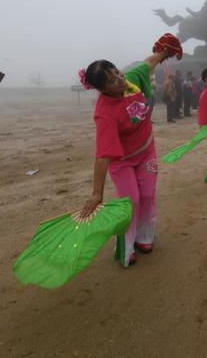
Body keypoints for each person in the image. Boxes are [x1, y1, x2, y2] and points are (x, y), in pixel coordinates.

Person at [78, 47, 172, 267]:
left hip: (146, 151)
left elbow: (148, 62)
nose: (119, 80)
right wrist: (96, 193)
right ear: (102, 89)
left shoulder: (130, 80)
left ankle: (145, 237)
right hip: (122, 162)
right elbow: (103, 155)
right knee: (132, 202)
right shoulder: (105, 113)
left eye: (117, 73)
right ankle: (126, 245)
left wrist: (164, 53)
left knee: (148, 195)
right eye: (111, 80)